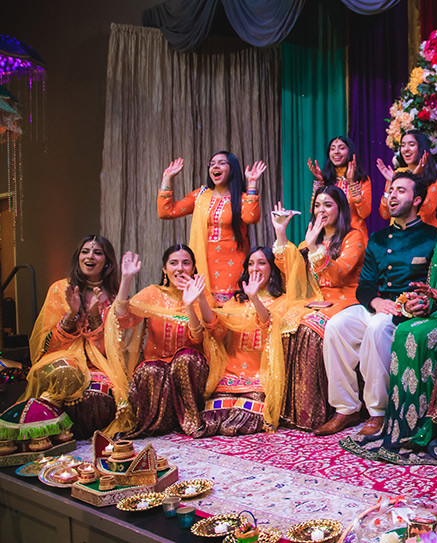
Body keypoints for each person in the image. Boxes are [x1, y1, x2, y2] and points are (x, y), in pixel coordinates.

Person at [341, 174, 437, 464]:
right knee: (406, 330)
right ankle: (402, 425)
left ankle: (428, 424)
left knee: (412, 332)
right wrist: (423, 299)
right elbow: (434, 285)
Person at [315, 171, 437, 436]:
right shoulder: (379, 239)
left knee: (377, 329)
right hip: (378, 303)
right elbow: (365, 284)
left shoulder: (432, 237)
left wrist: (411, 303)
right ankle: (346, 409)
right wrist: (375, 300)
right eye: (391, 190)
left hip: (407, 309)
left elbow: (435, 283)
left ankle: (378, 412)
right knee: (336, 326)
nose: (392, 195)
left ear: (417, 200)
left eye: (400, 191)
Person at [1, 236, 132, 445]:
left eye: (97, 252)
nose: (90, 256)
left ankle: (71, 432)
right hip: (61, 359)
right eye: (85, 251)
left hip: (99, 365)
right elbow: (47, 346)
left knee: (107, 393)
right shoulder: (60, 289)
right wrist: (71, 315)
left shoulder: (113, 296)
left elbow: (110, 350)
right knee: (66, 372)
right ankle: (43, 427)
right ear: (78, 257)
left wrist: (94, 315)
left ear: (107, 262)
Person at [273, 186, 366, 431]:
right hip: (316, 302)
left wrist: (314, 248)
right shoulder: (311, 240)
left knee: (309, 331)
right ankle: (294, 410)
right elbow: (289, 272)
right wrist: (281, 233)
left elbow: (338, 274)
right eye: (317, 205)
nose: (321, 210)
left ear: (340, 209)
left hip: (347, 302)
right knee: (286, 324)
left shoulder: (353, 237)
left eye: (328, 205)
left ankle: (326, 410)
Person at [108, 245, 213, 437]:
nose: (180, 268)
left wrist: (190, 304)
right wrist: (126, 279)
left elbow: (198, 337)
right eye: (173, 263)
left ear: (193, 268)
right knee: (151, 369)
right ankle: (156, 424)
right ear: (165, 269)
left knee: (185, 359)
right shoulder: (152, 294)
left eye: (186, 263)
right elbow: (122, 318)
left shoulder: (201, 296)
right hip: (157, 367)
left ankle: (190, 421)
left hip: (190, 369)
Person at [197, 246, 302, 436]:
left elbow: (269, 325)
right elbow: (216, 327)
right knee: (212, 419)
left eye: (262, 263)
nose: (255, 268)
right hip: (231, 373)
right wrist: (200, 299)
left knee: (237, 424)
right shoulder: (236, 301)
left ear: (272, 268)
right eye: (251, 264)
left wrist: (255, 298)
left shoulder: (283, 300)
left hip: (260, 376)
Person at [158, 151, 266, 303]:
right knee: (205, 312)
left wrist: (252, 184)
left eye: (222, 163)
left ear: (232, 168)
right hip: (203, 265)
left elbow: (251, 218)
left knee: (232, 314)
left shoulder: (242, 198)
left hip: (234, 267)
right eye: (212, 164)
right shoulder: (200, 196)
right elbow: (166, 212)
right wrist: (167, 178)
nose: (215, 166)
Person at [307, 136, 372, 238]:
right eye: (332, 149)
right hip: (328, 236)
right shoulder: (326, 180)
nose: (336, 152)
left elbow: (364, 213)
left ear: (350, 152)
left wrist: (352, 183)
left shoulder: (361, 180)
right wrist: (319, 183)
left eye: (341, 148)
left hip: (353, 236)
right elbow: (314, 212)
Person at [377, 130, 437, 228]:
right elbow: (385, 214)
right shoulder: (396, 174)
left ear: (421, 148)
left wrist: (415, 178)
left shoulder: (435, 177)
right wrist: (390, 183)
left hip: (424, 234)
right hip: (398, 234)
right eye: (403, 145)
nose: (406, 149)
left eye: (411, 145)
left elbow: (426, 211)